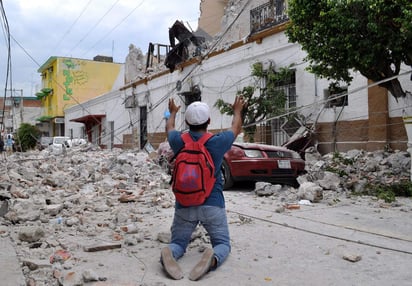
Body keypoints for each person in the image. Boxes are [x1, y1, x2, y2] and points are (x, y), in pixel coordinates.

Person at [161, 96, 246, 281]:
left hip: (184, 204)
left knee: (178, 243)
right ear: (208, 121)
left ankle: (170, 251)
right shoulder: (217, 141)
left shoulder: (178, 141)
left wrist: (173, 112)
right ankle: (213, 259)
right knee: (222, 243)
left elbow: (170, 128)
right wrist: (237, 110)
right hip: (212, 204)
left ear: (187, 121)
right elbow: (236, 128)